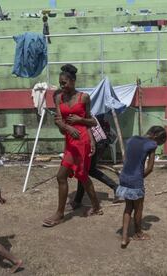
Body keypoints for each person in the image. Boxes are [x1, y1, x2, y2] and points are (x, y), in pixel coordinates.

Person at [43, 64, 102, 227]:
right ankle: (91, 207)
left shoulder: (84, 97)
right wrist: (67, 127)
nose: (62, 86)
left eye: (65, 83)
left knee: (78, 176)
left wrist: (79, 121)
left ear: (73, 81)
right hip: (69, 141)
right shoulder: (58, 98)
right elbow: (58, 121)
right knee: (69, 177)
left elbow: (92, 121)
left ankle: (63, 213)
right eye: (60, 83)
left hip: (82, 141)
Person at [117, 126, 167, 248]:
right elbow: (150, 168)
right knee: (138, 208)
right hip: (135, 180)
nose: (157, 145)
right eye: (159, 142)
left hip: (124, 177)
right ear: (155, 137)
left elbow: (127, 159)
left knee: (128, 207)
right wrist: (139, 178)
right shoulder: (151, 145)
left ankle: (124, 238)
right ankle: (138, 233)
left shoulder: (132, 139)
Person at [68, 114, 120, 210]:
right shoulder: (74, 110)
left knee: (84, 171)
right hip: (96, 142)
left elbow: (91, 124)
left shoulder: (79, 110)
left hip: (96, 142)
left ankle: (78, 201)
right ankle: (116, 188)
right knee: (87, 170)